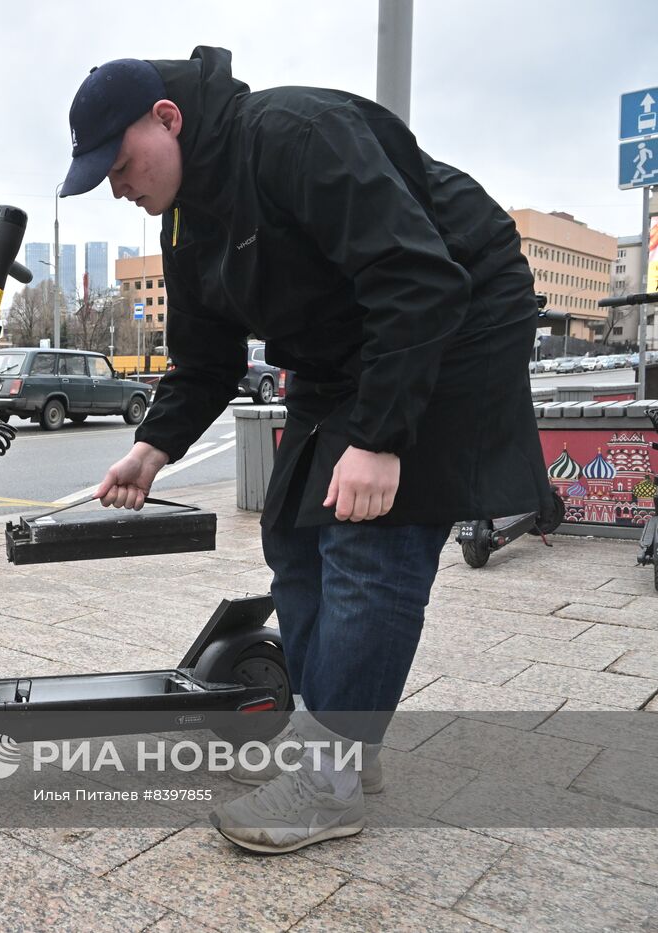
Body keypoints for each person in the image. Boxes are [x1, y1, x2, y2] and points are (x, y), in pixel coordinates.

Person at [65, 48, 553, 854]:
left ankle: (329, 777)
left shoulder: (293, 135)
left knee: (371, 538)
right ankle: (333, 750)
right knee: (292, 531)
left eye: (118, 165)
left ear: (167, 119)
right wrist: (152, 449)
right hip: (342, 350)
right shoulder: (184, 219)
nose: (117, 187)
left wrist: (382, 439)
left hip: (452, 312)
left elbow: (416, 277)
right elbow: (205, 360)